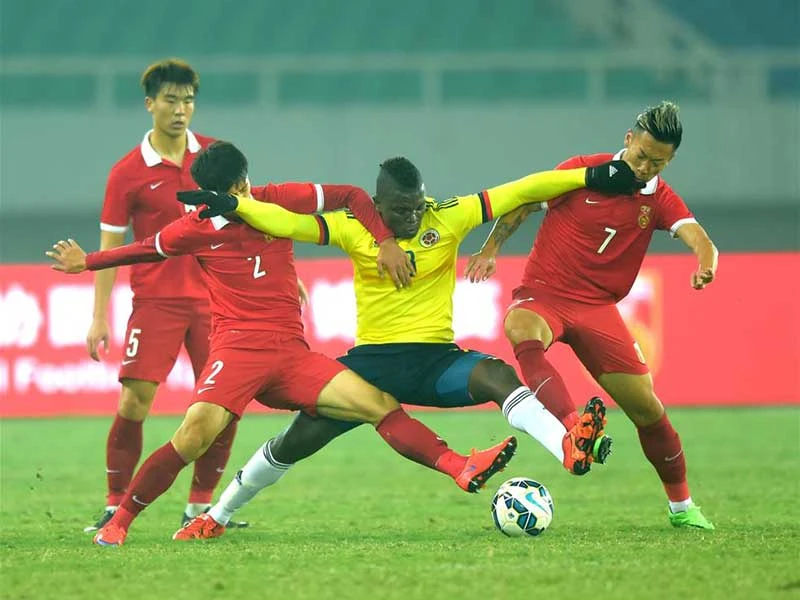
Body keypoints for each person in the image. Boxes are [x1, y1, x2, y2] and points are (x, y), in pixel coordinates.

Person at [46, 141, 516, 547]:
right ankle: (121, 521)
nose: (243, 195)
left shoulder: (278, 200)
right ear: (217, 191)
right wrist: (88, 261)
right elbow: (146, 248)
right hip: (235, 351)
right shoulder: (196, 227)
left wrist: (384, 241)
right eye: (234, 192)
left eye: (243, 186)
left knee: (378, 404)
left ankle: (459, 466)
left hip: (291, 353)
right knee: (193, 435)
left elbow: (351, 195)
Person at [170, 153, 645, 541]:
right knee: (293, 444)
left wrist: (590, 177)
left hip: (434, 361)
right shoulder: (352, 225)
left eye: (418, 206)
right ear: (377, 204)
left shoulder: (449, 215)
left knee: (498, 376)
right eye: (400, 210)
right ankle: (218, 515)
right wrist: (236, 205)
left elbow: (522, 189)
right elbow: (283, 221)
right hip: (370, 365)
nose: (412, 217)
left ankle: (566, 446)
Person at [464, 101, 717, 530]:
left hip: (598, 310)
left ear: (669, 161)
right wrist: (491, 248)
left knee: (648, 411)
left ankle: (683, 507)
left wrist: (706, 263)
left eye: (657, 163)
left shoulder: (659, 200)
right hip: (545, 294)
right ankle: (574, 428)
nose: (645, 167)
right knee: (520, 326)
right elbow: (525, 201)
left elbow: (700, 237)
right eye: (641, 155)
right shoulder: (583, 170)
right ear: (628, 139)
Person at [82, 58, 243, 531]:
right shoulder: (127, 173)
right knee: (134, 402)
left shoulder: (214, 158)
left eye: (188, 100)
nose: (180, 109)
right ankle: (115, 503)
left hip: (216, 301)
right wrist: (99, 316)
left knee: (224, 405)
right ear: (150, 104)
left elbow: (249, 215)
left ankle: (201, 506)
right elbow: (109, 248)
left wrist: (279, 270)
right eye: (171, 100)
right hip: (156, 303)